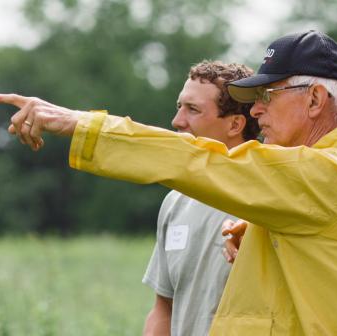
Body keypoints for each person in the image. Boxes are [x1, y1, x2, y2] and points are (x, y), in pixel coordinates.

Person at [0, 30, 337, 335]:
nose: (256, 110)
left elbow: (197, 159)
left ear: (314, 100)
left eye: (269, 95)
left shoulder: (333, 174)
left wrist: (79, 124)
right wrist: (255, 233)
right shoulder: (326, 177)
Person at [142, 61, 258, 336]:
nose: (177, 121)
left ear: (235, 124)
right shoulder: (175, 201)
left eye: (192, 110)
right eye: (179, 106)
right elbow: (164, 309)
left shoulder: (269, 197)